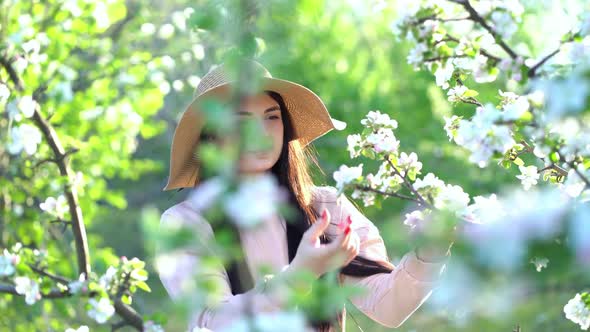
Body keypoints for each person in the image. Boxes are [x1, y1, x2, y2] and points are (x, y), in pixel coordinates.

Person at [157, 59, 451, 331]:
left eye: (271, 117)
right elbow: (211, 320)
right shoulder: (185, 224)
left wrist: (430, 252)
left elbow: (388, 306)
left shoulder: (325, 207)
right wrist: (300, 274)